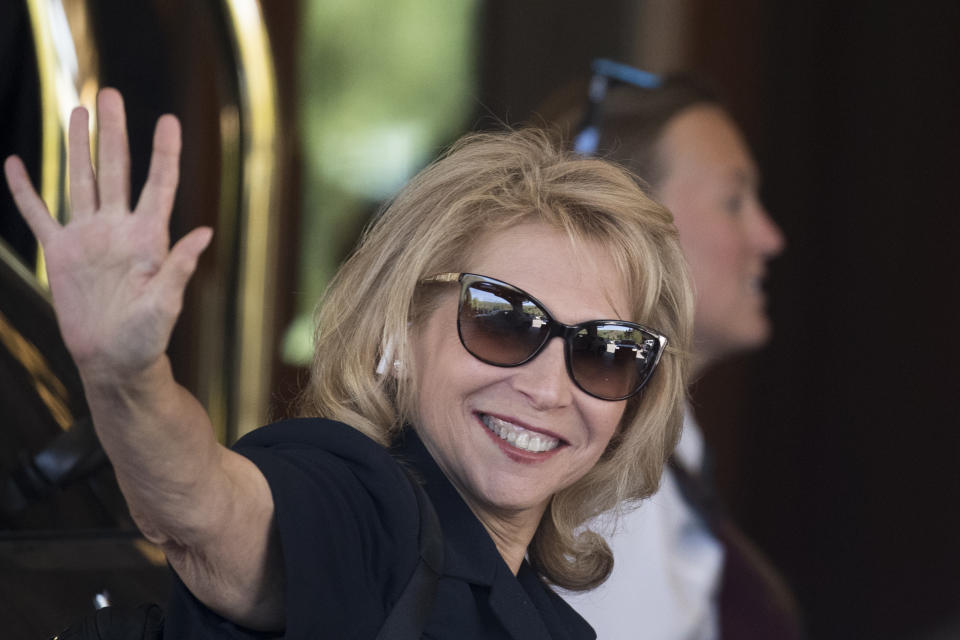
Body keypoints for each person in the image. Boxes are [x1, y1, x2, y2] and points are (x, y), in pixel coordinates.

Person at [4, 88, 694, 638]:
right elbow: (207, 507)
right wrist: (126, 378)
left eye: (603, 351)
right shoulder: (363, 506)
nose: (547, 388)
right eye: (504, 321)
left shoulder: (545, 619)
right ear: (400, 325)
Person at [542, 60, 798, 639]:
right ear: (627, 219)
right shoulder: (599, 471)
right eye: (734, 201)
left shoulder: (665, 450)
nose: (769, 237)